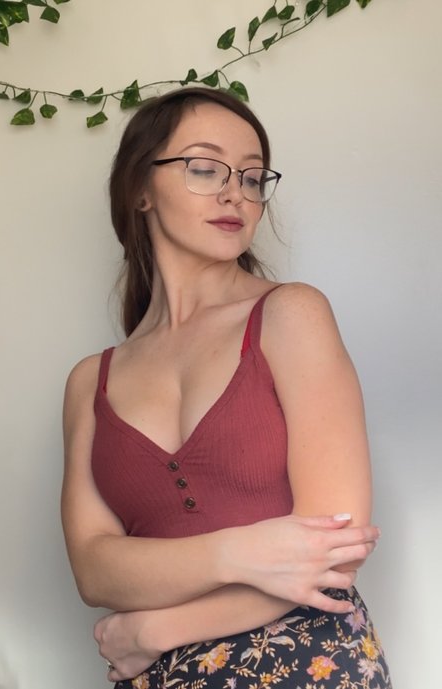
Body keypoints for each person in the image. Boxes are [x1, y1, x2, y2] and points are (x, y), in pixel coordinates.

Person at [61, 86, 392, 689]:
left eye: (253, 176)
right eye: (204, 168)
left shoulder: (291, 315)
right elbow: (93, 570)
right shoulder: (91, 382)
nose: (235, 192)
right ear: (139, 189)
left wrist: (152, 631)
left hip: (307, 664)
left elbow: (334, 550)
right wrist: (239, 552)